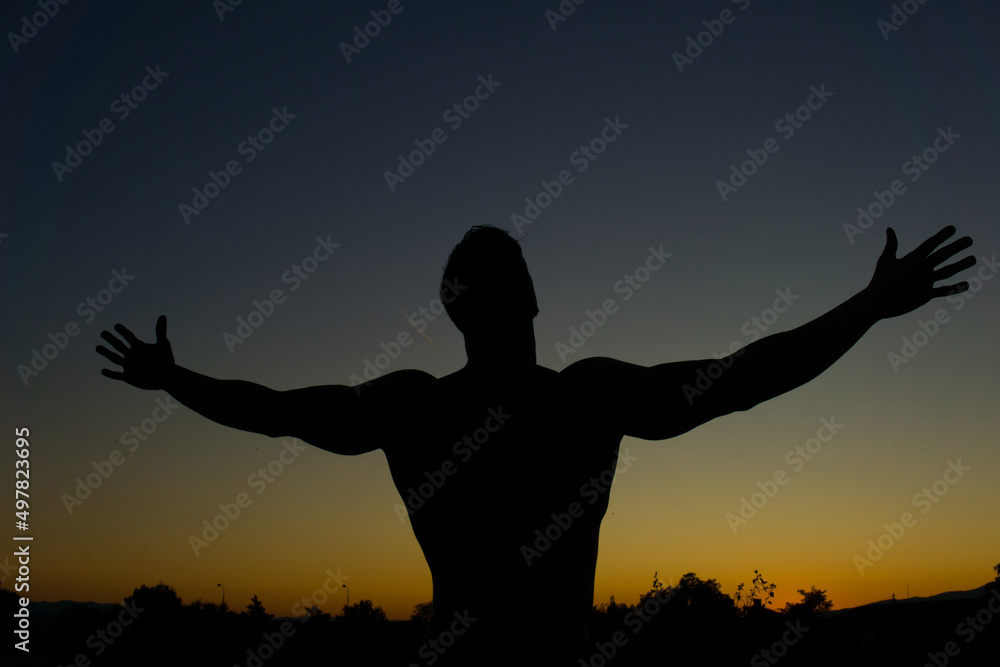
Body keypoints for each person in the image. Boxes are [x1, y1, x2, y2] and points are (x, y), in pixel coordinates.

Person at [96, 224, 973, 664]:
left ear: (453, 309)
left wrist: (174, 381)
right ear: (534, 298)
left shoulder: (416, 407)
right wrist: (866, 308)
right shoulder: (583, 395)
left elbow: (276, 408)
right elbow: (744, 378)